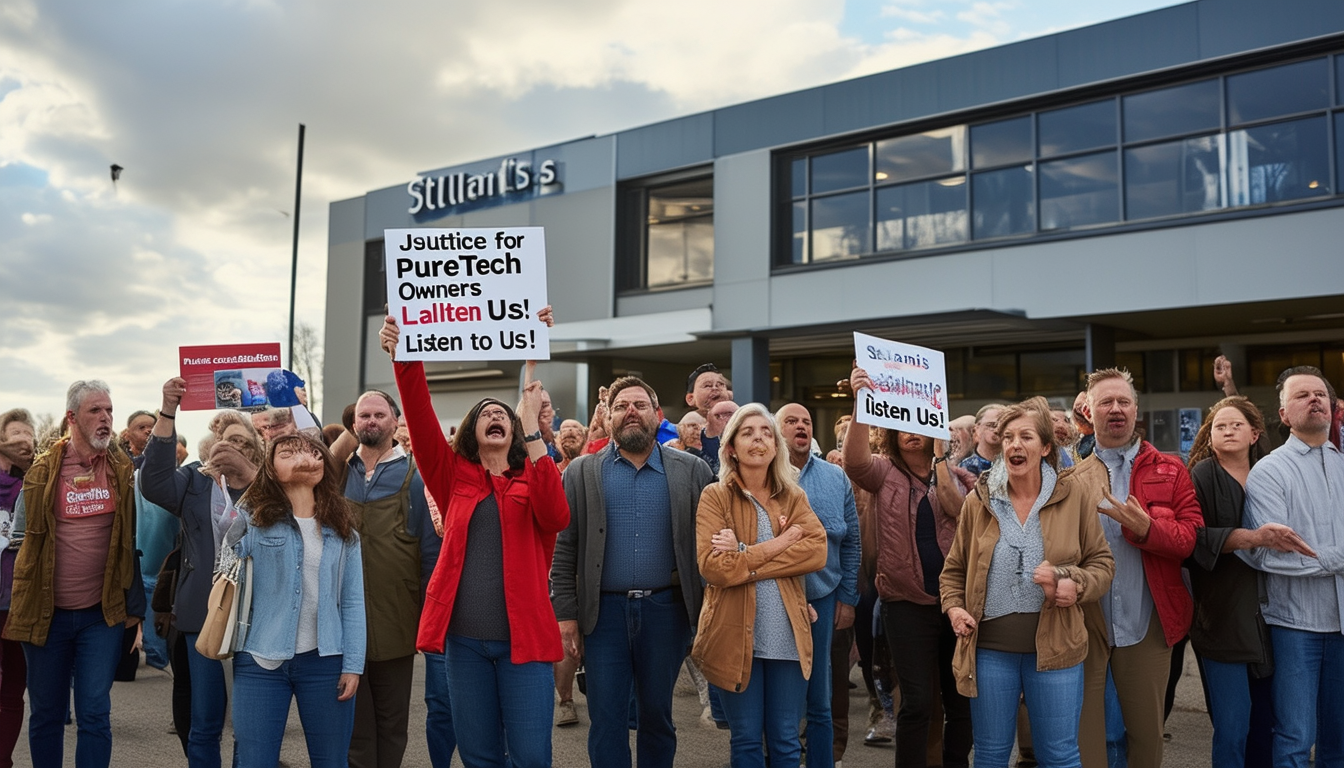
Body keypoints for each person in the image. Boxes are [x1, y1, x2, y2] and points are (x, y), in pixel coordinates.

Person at [382, 308, 569, 768]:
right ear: (473, 430)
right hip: (464, 645)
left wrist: (534, 430)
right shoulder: (452, 477)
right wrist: (403, 354)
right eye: (485, 414)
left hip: (522, 644)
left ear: (514, 431)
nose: (494, 416)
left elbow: (557, 515)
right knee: (479, 755)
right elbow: (422, 419)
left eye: (502, 414)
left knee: (530, 756)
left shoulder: (534, 476)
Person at [940, 396, 1115, 768]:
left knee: (1060, 755)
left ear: (1046, 447)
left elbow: (1102, 564)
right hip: (988, 652)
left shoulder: (1073, 497)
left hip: (1056, 648)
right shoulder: (980, 500)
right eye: (1007, 438)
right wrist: (954, 608)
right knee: (989, 755)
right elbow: (953, 570)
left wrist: (1074, 582)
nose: (1014, 445)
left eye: (1026, 437)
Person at [552, 375, 715, 768]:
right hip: (603, 616)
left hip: (667, 612)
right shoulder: (581, 472)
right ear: (608, 418)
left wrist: (707, 614)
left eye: (640, 405)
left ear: (657, 415)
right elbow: (565, 548)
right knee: (606, 719)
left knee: (657, 717)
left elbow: (710, 547)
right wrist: (566, 616)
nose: (631, 412)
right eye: (621, 406)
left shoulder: (691, 471)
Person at [4, 380, 146, 768]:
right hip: (46, 616)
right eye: (95, 411)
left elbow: (130, 542)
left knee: (95, 712)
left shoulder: (121, 472)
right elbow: (18, 542)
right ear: (71, 418)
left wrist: (135, 612)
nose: (105, 419)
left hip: (100, 616)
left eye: (109, 411)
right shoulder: (41, 473)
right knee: (47, 713)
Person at [844, 364, 977, 768]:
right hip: (905, 606)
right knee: (916, 703)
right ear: (890, 430)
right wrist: (862, 401)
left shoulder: (960, 479)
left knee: (961, 702)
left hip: (957, 606)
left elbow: (957, 510)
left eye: (919, 420)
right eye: (901, 421)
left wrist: (940, 459)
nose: (911, 429)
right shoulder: (884, 473)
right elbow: (853, 462)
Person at [1071, 368, 1201, 768]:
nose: (1115, 409)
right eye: (1105, 402)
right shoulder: (1069, 480)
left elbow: (1190, 539)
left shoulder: (1171, 469)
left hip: (1147, 620)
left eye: (1123, 401)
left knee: (1146, 737)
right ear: (1088, 412)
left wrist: (1148, 529)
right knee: (1086, 738)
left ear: (1136, 410)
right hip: (1085, 621)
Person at [692, 403, 827, 768]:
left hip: (786, 634)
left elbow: (816, 552)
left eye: (766, 432)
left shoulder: (793, 496)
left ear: (776, 446)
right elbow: (714, 568)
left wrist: (744, 556)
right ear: (731, 446)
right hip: (735, 636)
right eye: (748, 432)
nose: (759, 439)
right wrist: (780, 544)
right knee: (748, 739)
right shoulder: (714, 496)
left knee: (785, 740)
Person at [1186, 395, 1314, 768]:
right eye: (1219, 427)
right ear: (1210, 438)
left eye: (1236, 424)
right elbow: (1194, 538)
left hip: (1274, 615)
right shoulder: (1203, 475)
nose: (1227, 431)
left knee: (1268, 724)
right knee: (1232, 727)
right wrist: (1252, 538)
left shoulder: (1272, 470)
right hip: (1223, 616)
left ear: (1255, 433)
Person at [143, 383, 264, 768]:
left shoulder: (270, 486)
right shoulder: (195, 481)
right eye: (224, 440)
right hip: (203, 615)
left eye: (242, 442)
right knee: (205, 722)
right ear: (210, 447)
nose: (232, 447)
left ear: (257, 451)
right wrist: (167, 411)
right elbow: (153, 481)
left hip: (261, 616)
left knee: (252, 726)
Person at [229, 433, 364, 767]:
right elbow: (226, 558)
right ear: (270, 470)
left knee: (331, 761)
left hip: (327, 660)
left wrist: (353, 664)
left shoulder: (343, 528)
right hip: (259, 658)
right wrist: (242, 497)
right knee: (254, 760)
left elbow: (352, 601)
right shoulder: (252, 519)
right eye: (287, 453)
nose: (302, 458)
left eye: (311, 452)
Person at [1241, 367, 1344, 768]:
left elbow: (1298, 551)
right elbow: (1270, 554)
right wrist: (1336, 559)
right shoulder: (1269, 472)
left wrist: (1318, 555)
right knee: (1295, 739)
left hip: (1342, 625)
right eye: (1301, 395)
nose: (1313, 399)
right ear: (1283, 415)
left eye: (1320, 394)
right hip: (1295, 627)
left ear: (1333, 408)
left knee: (1338, 740)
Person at [342, 390, 438, 768]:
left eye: (380, 415)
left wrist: (427, 613)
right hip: (345, 618)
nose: (371, 421)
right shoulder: (337, 471)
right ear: (354, 424)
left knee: (393, 721)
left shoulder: (416, 474)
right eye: (364, 415)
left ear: (396, 422)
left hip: (397, 614)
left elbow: (430, 551)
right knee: (355, 723)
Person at [776, 403, 860, 768]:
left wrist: (848, 597)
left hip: (825, 599)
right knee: (780, 694)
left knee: (821, 696)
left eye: (806, 421)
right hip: (773, 600)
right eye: (791, 421)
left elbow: (852, 541)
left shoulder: (834, 477)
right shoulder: (762, 476)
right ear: (776, 431)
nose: (800, 427)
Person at [0, 409, 33, 768]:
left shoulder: (35, 485)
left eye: (29, 434)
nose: (25, 439)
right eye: (16, 433)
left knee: (13, 690)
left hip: (19, 605)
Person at [960, 404, 1006, 476]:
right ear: (976, 429)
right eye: (991, 425)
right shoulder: (965, 468)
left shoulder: (1014, 466)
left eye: (1003, 426)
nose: (997, 430)